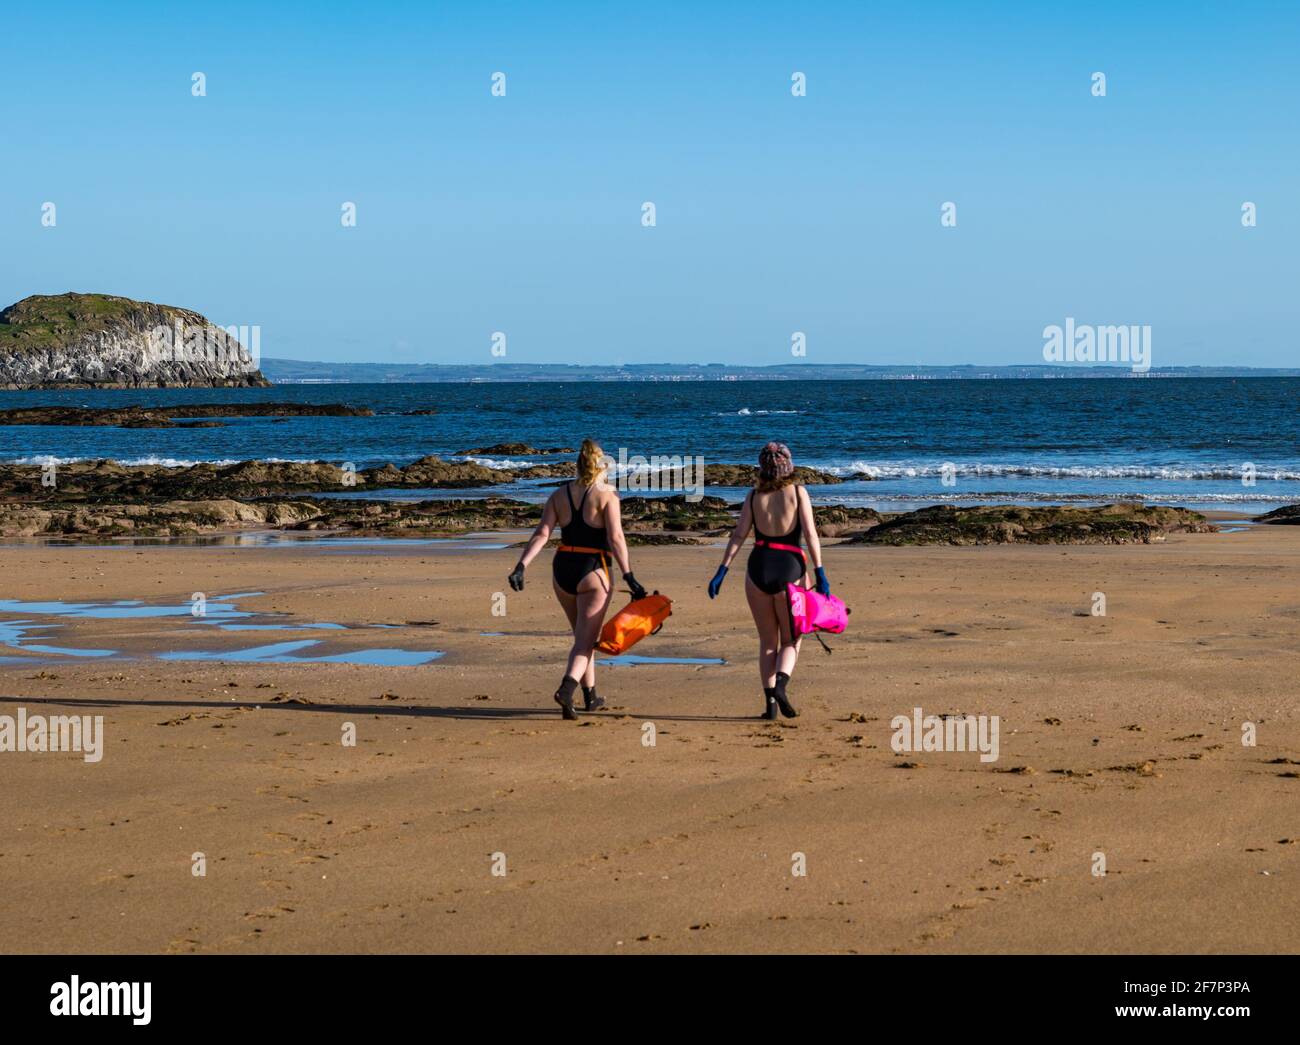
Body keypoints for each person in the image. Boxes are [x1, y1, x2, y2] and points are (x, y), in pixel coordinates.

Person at [508, 439, 646, 720]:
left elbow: (542, 534)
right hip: (593, 569)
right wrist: (629, 576)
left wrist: (522, 565)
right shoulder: (608, 494)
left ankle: (590, 696)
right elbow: (616, 538)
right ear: (602, 465)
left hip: (563, 570)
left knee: (583, 636)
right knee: (585, 641)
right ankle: (566, 689)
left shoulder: (559, 495)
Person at [707, 442, 829, 719]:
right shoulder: (798, 493)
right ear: (789, 465)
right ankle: (782, 686)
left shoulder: (753, 496)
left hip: (758, 568)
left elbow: (738, 535)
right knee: (791, 640)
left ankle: (770, 707)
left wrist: (722, 571)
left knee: (767, 642)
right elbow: (810, 534)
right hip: (791, 570)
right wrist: (820, 572)